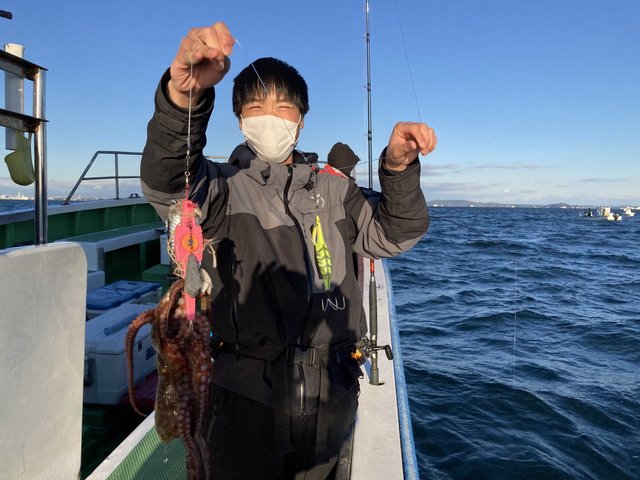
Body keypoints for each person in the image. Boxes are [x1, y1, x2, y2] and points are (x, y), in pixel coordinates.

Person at [141, 21, 436, 480]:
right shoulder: (221, 188)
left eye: (283, 107)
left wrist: (398, 169)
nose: (270, 117)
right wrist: (185, 101)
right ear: (240, 120)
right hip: (245, 402)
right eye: (256, 107)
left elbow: (396, 233)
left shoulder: (337, 193)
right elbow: (166, 183)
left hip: (332, 397)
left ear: (301, 119)